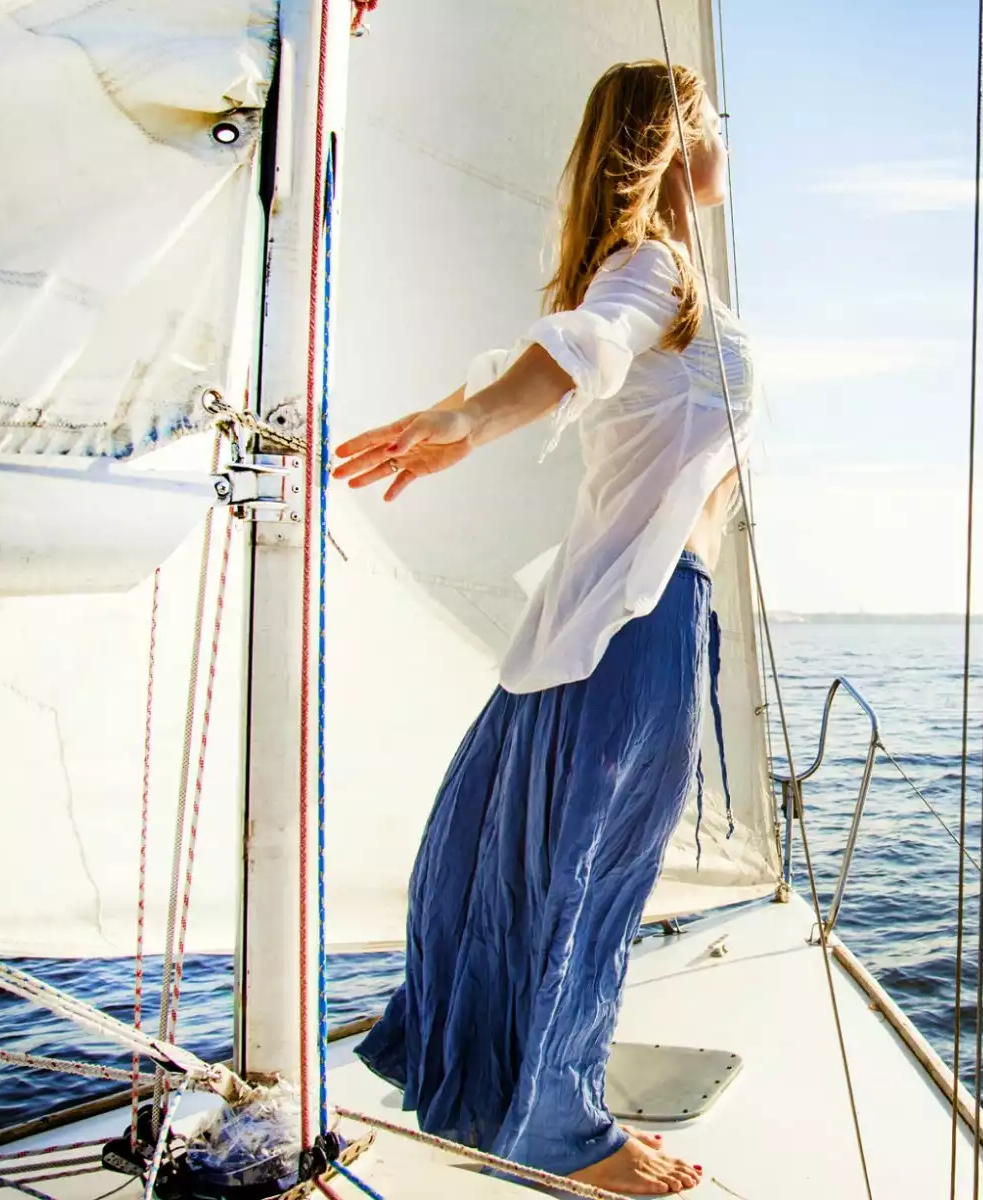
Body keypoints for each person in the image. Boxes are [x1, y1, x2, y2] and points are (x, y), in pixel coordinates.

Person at [331, 60, 751, 1196]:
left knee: (549, 864)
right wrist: (469, 416)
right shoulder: (654, 273)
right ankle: (567, 1132)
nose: (728, 140)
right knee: (594, 876)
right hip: (643, 618)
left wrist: (480, 409)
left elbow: (583, 358)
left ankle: (517, 1087)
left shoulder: (652, 274)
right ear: (672, 141)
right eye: (715, 120)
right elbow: (583, 349)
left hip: (614, 615)